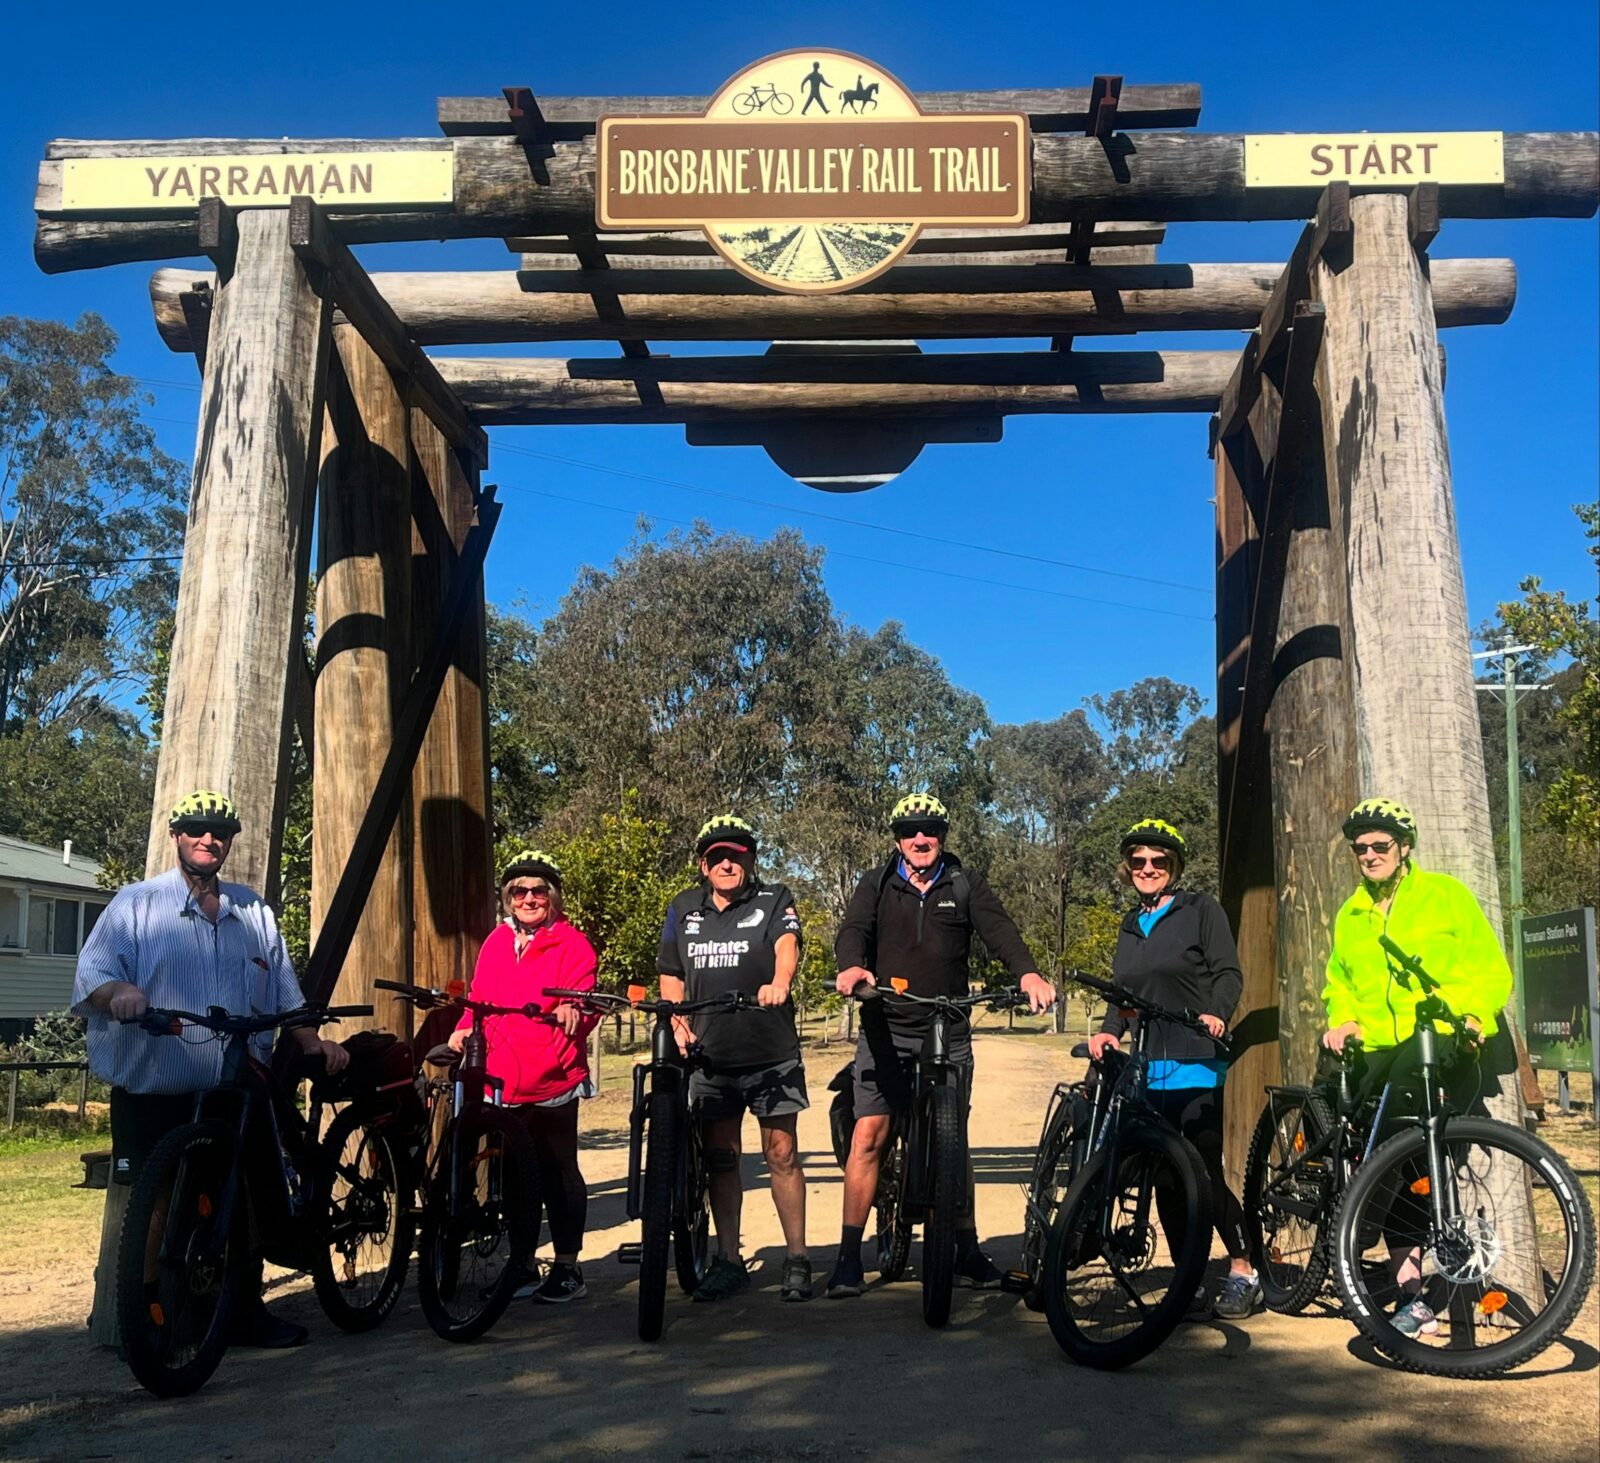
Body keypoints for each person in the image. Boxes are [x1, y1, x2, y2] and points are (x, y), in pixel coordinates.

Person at [72, 790, 350, 1350]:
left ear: (228, 842)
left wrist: (309, 1037)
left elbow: (283, 986)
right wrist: (120, 992)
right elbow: (93, 975)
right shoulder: (135, 905)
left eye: (219, 831)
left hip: (234, 1088)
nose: (208, 838)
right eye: (196, 828)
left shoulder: (254, 911)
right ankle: (147, 1320)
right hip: (156, 1086)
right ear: (176, 836)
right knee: (153, 1202)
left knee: (241, 1194)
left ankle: (244, 1310)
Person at [829, 793, 1055, 1299]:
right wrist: (851, 965)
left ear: (943, 836)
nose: (920, 837)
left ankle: (968, 1250)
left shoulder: (963, 883)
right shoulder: (877, 883)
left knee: (955, 1142)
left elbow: (1000, 929)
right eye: (910, 830)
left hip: (947, 1028)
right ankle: (847, 1259)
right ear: (897, 839)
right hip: (886, 1025)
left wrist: (1029, 973)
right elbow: (853, 930)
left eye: (930, 829)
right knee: (870, 1133)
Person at [1320, 796, 1514, 1338]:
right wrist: (1342, 1018)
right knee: (1397, 1159)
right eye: (1360, 848)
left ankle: (1367, 1241)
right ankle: (1401, 1281)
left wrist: (1476, 1015)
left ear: (1404, 849)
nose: (1370, 855)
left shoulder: (1445, 897)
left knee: (1413, 1162)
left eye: (1381, 845)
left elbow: (1490, 969)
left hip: (1438, 1043)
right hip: (1374, 1048)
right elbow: (1339, 981)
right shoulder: (1351, 913)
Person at [1086, 818, 1258, 1320]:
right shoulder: (1128, 924)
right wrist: (1108, 1030)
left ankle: (1244, 1270)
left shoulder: (1200, 911)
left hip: (1196, 1060)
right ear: (1128, 868)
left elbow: (1228, 972)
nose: (1148, 868)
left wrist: (1217, 1014)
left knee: (1202, 1172)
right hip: (1147, 1067)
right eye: (1139, 861)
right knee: (1164, 1173)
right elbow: (1125, 996)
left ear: (1175, 867)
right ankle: (1189, 1281)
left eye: (1159, 861)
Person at [657, 815, 812, 1302]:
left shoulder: (775, 899)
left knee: (781, 1154)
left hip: (769, 1051)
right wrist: (678, 1023)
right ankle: (728, 1259)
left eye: (738, 855)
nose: (728, 863)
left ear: (751, 861)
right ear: (703, 865)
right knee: (722, 1159)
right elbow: (671, 972)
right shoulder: (683, 908)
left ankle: (798, 1258)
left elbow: (787, 947)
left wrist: (780, 983)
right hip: (710, 1058)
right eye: (717, 857)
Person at [448, 849, 600, 1303]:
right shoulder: (497, 941)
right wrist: (461, 1028)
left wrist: (575, 1008)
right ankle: (521, 1264)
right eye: (519, 890)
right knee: (514, 1175)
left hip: (553, 1076)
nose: (529, 898)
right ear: (508, 897)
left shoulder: (573, 943)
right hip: (505, 1077)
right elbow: (479, 995)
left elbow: (585, 996)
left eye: (538, 890)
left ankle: (569, 1267)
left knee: (558, 1171)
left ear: (552, 896)